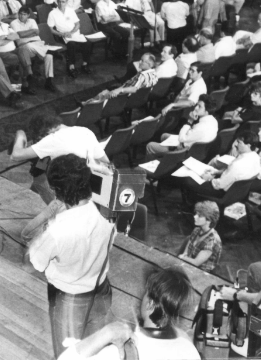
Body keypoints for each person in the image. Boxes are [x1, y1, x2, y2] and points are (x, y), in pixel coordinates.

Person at [27, 154, 116, 359]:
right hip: (102, 288)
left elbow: (35, 262)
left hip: (70, 300)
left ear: (57, 192)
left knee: (70, 355)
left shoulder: (57, 230)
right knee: (96, 349)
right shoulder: (106, 212)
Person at [58, 267, 200, 360]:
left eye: (146, 293)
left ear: (150, 304)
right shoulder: (188, 346)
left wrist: (106, 333)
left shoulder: (122, 352)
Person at [148, 94, 218, 154]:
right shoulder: (214, 121)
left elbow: (182, 138)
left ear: (207, 111)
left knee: (149, 146)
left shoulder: (201, 127)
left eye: (199, 106)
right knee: (164, 136)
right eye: (197, 105)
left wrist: (190, 121)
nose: (196, 108)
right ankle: (162, 157)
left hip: (182, 150)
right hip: (192, 146)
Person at [10, 7, 57, 92]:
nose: (21, 16)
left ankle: (49, 81)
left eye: (24, 14)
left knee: (49, 57)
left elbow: (37, 32)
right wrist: (32, 31)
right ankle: (47, 50)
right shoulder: (14, 23)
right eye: (20, 14)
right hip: (25, 47)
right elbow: (19, 34)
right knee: (28, 46)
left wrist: (25, 33)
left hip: (37, 44)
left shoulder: (32, 21)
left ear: (28, 15)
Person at [47, 0, 93, 78]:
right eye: (59, 1)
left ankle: (84, 64)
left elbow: (77, 24)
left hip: (74, 33)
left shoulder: (70, 11)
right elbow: (51, 29)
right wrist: (62, 34)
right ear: (57, 2)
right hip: (62, 35)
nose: (61, 3)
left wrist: (71, 32)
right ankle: (71, 67)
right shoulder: (52, 13)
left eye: (63, 2)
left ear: (67, 2)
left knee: (88, 43)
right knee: (72, 45)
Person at [177, 201, 222, 272]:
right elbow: (186, 252)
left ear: (209, 220)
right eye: (196, 214)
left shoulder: (212, 240)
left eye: (199, 216)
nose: (195, 216)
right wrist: (183, 257)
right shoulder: (196, 230)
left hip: (201, 273)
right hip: (189, 266)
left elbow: (196, 263)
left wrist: (182, 258)